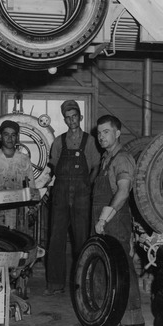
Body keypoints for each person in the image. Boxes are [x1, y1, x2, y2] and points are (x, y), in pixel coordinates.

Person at [92, 114, 144, 326]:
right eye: (99, 132)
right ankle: (107, 313)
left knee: (123, 268)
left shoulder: (122, 158)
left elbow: (123, 192)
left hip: (115, 221)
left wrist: (104, 217)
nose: (101, 137)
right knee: (103, 267)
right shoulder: (106, 158)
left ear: (117, 133)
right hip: (103, 222)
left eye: (106, 132)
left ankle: (133, 318)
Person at [44, 100, 101, 296]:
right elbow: (52, 165)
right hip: (60, 193)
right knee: (56, 238)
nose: (71, 121)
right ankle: (55, 284)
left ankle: (82, 283)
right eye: (67, 118)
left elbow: (95, 166)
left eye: (74, 116)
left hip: (81, 195)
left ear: (80, 117)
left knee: (82, 239)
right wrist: (43, 181)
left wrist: (88, 185)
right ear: (65, 120)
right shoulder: (59, 141)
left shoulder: (90, 141)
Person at [0, 119, 36, 231]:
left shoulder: (24, 160)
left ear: (17, 137)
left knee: (19, 245)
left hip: (19, 215)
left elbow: (31, 188)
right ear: (0, 136)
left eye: (13, 135)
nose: (10, 138)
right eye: (6, 134)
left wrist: (32, 209)